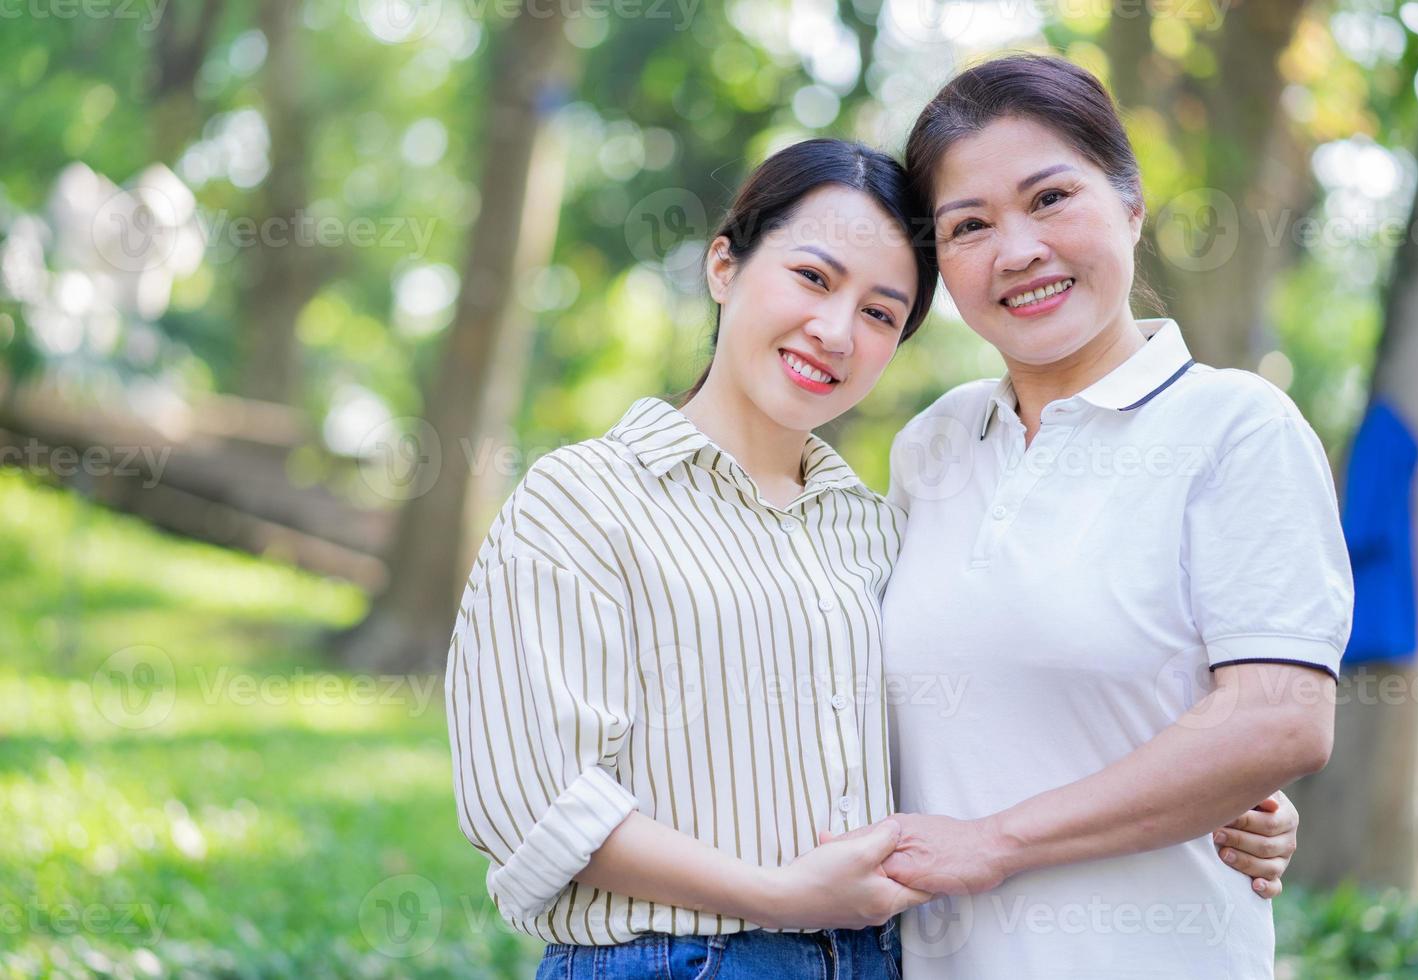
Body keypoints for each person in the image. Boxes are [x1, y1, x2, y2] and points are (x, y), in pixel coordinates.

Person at [445, 137, 1302, 980]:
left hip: (878, 959)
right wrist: (777, 895)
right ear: (723, 267)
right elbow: (533, 801)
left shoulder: (870, 526)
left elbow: (965, 709)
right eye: (813, 278)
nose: (834, 330)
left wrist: (1226, 792)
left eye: (881, 313)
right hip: (677, 959)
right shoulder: (584, 497)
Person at [868, 53, 1353, 978]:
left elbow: (1281, 718)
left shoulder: (1234, 425)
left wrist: (996, 841)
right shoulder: (933, 444)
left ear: (1131, 205)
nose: (1017, 251)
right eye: (969, 225)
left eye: (1050, 199)